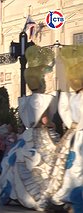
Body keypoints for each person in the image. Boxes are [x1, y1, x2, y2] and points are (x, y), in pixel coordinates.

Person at [0, 45, 58, 211]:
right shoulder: (43, 100)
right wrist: (53, 124)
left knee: (18, 163)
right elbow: (44, 121)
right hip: (41, 136)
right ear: (41, 81)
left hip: (27, 136)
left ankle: (16, 193)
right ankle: (38, 197)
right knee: (47, 164)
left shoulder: (25, 100)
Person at [46, 45, 83, 212]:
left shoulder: (73, 97)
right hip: (76, 138)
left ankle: (65, 198)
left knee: (72, 168)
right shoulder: (75, 97)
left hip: (74, 137)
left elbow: (65, 112)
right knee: (74, 168)